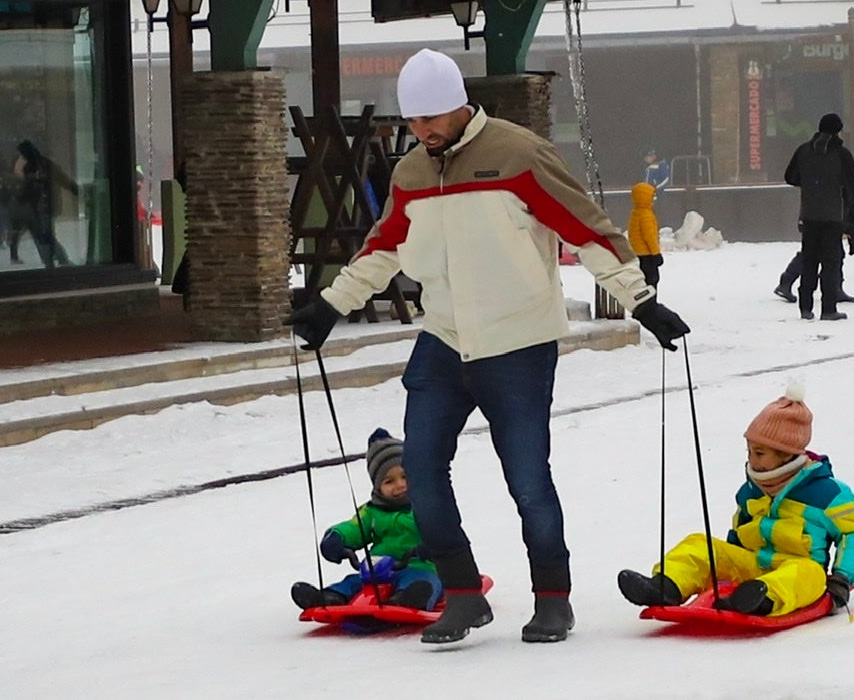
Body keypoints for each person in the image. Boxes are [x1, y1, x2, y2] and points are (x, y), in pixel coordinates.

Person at [286, 48, 690, 645]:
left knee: (526, 476)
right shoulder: (412, 173)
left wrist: (641, 300)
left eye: (432, 119)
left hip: (518, 340)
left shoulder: (518, 155)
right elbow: (382, 247)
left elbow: (585, 228)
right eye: (413, 121)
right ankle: (462, 594)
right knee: (420, 470)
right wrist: (329, 305)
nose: (422, 131)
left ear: (459, 105)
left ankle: (553, 597)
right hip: (443, 338)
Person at [617, 382, 854, 617]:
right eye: (749, 450)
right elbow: (738, 531)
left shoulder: (828, 494)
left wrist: (842, 579)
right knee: (700, 544)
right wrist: (724, 564)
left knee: (808, 573)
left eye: (759, 453)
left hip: (797, 571)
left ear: (786, 455)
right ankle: (665, 586)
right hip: (752, 565)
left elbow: (853, 535)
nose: (752, 459)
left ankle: (763, 600)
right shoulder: (751, 490)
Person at [290, 429, 443, 620]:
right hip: (377, 570)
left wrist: (434, 545)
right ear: (377, 486)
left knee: (422, 581)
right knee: (353, 583)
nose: (400, 485)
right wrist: (337, 537)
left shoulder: (424, 505)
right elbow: (354, 528)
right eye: (389, 481)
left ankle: (407, 600)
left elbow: (441, 526)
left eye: (405, 477)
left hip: (419, 564)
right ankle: (328, 597)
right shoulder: (371, 512)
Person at [783, 113, 854, 321]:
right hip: (832, 217)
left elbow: (790, 176)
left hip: (808, 215)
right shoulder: (841, 154)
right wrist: (843, 202)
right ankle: (828, 309)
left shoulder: (803, 151)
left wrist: (810, 185)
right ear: (838, 130)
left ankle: (805, 308)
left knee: (809, 260)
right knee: (830, 263)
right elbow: (853, 184)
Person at [774, 171, 854, 304]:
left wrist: (853, 238)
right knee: (812, 253)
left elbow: (852, 215)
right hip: (818, 220)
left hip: (830, 223)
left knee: (835, 254)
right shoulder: (845, 190)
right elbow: (837, 214)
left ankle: (835, 289)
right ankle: (786, 283)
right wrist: (850, 230)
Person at [13, 139, 78, 269]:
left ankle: (51, 261)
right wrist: (74, 189)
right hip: (48, 205)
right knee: (46, 233)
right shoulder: (47, 163)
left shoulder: (32, 166)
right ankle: (59, 259)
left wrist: (19, 199)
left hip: (39, 207)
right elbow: (62, 178)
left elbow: (29, 187)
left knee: (42, 235)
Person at [628, 181, 663, 297]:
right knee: (651, 281)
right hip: (648, 255)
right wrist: (656, 253)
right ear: (645, 198)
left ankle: (641, 305)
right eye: (652, 196)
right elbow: (650, 236)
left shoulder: (635, 213)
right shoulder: (646, 215)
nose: (653, 200)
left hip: (637, 254)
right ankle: (650, 308)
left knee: (641, 284)